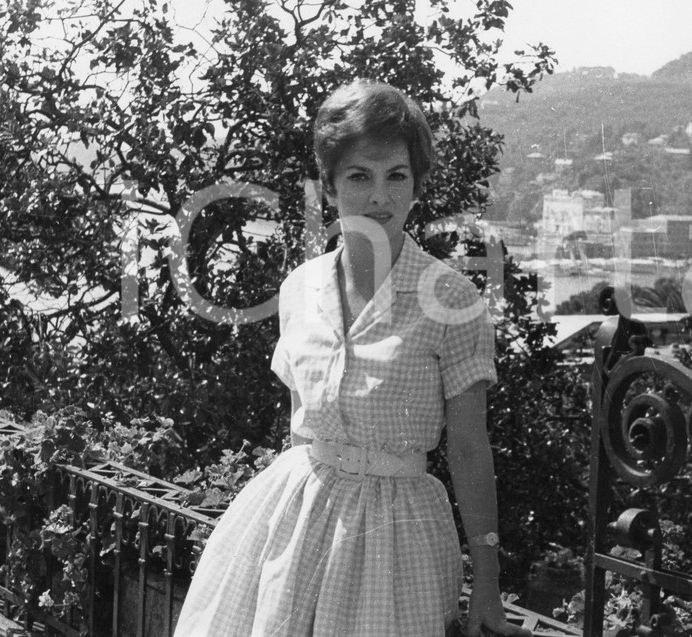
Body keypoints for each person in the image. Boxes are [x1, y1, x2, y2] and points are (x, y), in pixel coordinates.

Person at [174, 79, 532, 637]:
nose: (380, 197)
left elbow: (468, 448)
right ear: (330, 187)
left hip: (396, 543)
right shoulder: (299, 288)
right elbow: (300, 429)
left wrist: (487, 583)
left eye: (397, 176)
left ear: (416, 186)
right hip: (297, 522)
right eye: (360, 176)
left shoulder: (452, 299)